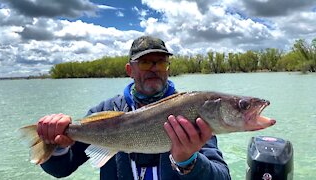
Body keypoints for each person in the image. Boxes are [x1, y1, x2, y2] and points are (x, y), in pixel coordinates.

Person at [37, 35, 231, 180]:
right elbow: (61, 169)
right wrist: (56, 146)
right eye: (145, 62)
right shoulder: (104, 110)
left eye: (161, 63)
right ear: (130, 70)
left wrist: (189, 161)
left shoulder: (189, 111)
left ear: (168, 69)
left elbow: (222, 176)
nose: (154, 68)